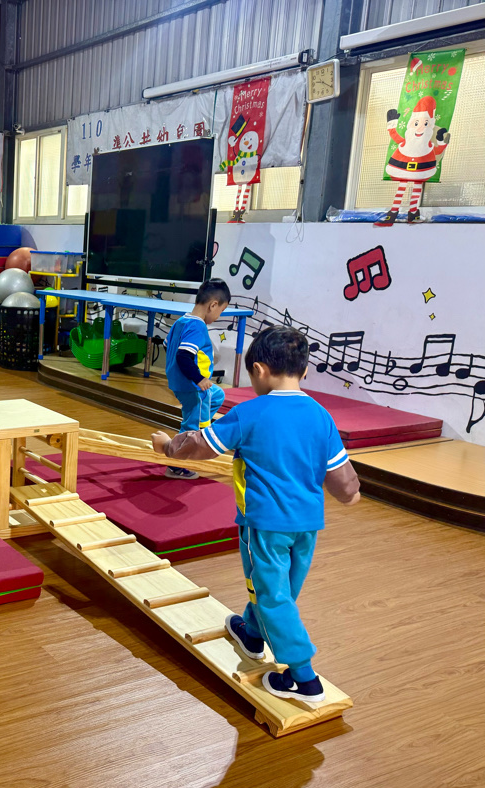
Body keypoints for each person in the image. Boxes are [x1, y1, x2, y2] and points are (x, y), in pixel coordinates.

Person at [151, 326, 360, 703]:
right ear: (304, 371)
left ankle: (303, 677)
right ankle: (251, 633)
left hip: (265, 525)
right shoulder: (321, 416)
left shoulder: (250, 412)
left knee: (273, 595)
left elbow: (202, 445)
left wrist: (168, 447)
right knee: (281, 589)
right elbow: (341, 476)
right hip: (307, 526)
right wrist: (351, 494)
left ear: (260, 370)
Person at [163, 279, 231, 479]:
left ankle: (201, 425)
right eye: (221, 311)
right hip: (191, 385)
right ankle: (177, 465)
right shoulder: (197, 327)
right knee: (190, 424)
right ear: (213, 305)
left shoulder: (181, 321)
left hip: (182, 382)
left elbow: (167, 345)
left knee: (217, 395)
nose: (219, 316)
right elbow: (183, 356)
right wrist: (199, 378)